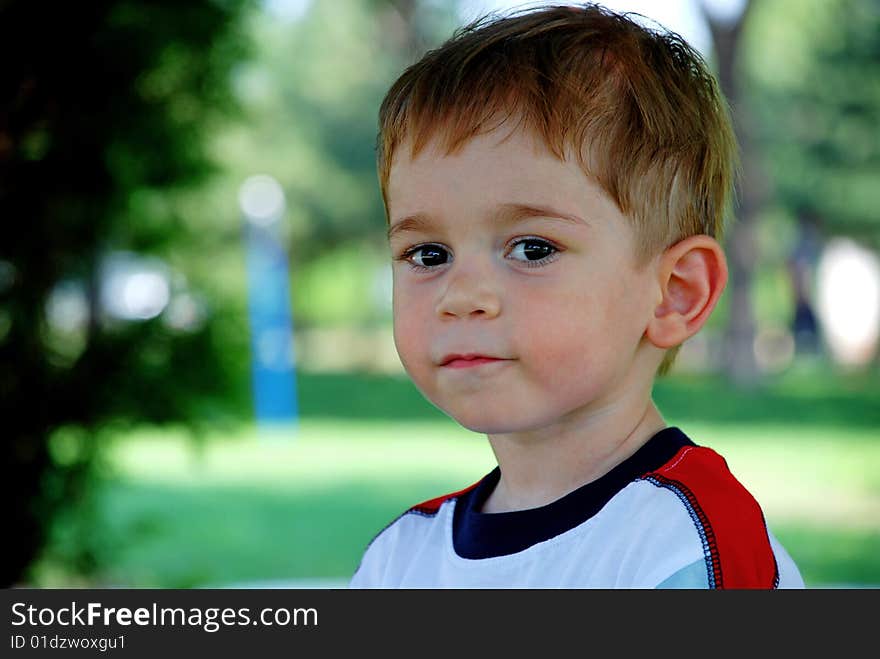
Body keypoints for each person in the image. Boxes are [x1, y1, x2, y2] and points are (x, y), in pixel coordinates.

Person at [350, 3, 804, 588]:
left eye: (532, 248)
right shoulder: (399, 559)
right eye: (428, 254)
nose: (460, 295)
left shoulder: (690, 553)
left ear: (674, 295)